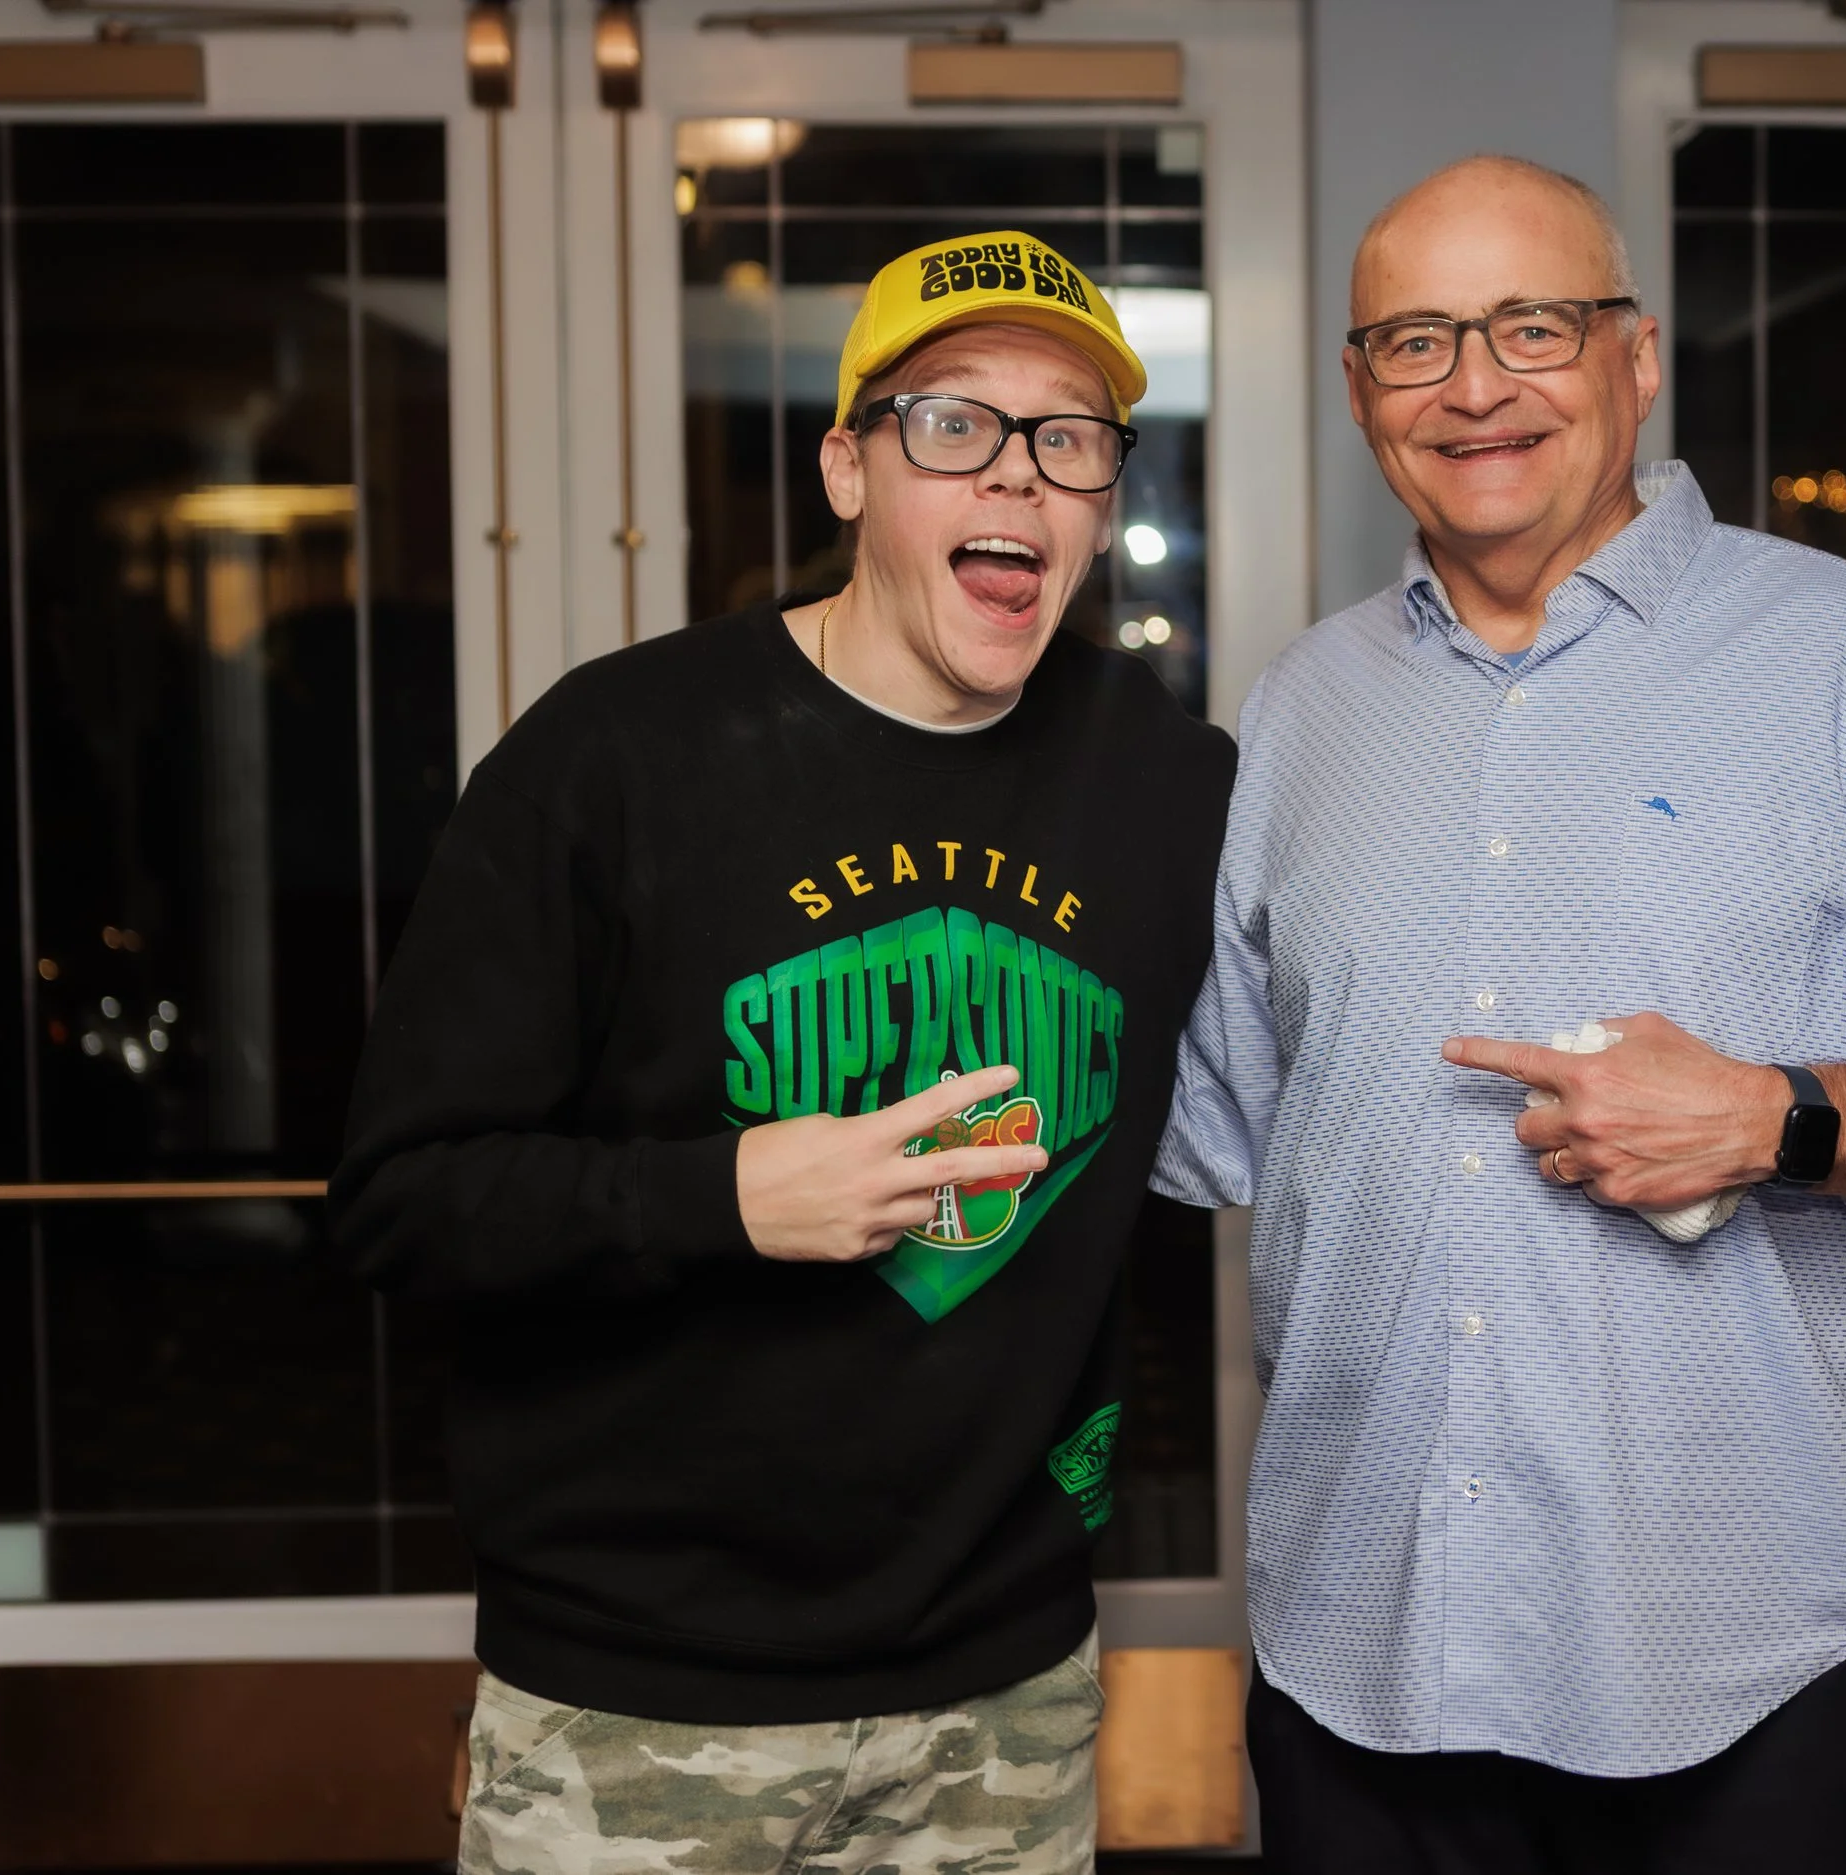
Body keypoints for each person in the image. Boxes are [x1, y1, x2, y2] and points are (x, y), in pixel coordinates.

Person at [1153, 155, 1846, 1873]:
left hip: (1748, 1665)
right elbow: (1214, 1120)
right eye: (1417, 339)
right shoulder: (1301, 713)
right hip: (1366, 1643)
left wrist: (1779, 1117)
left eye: (1531, 324)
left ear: (1635, 356)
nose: (1476, 384)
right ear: (1363, 390)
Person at [332, 229, 1234, 1874]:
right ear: (848, 465)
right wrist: (729, 1196)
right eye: (955, 423)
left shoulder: (1170, 786)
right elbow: (404, 1199)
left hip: (1005, 1692)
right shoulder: (610, 759)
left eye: (1073, 438)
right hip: (641, 1700)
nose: (1021, 480)